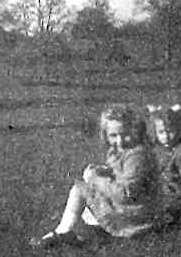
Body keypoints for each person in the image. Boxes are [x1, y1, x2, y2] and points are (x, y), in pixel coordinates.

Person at [33, 104, 159, 249]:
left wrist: (95, 179)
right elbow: (123, 176)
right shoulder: (122, 151)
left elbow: (125, 193)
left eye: (125, 134)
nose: (120, 141)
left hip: (136, 216)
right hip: (137, 211)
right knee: (87, 205)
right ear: (106, 135)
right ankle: (82, 230)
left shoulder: (137, 156)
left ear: (135, 131)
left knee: (79, 190)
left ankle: (63, 231)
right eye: (113, 135)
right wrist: (107, 172)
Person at [146, 104, 181, 222]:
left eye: (170, 131)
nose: (166, 136)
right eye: (161, 132)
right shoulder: (158, 149)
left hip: (178, 192)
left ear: (179, 130)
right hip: (162, 189)